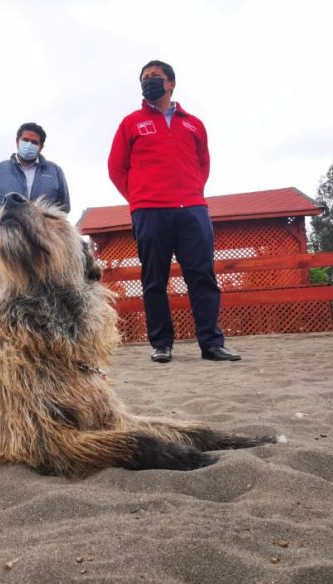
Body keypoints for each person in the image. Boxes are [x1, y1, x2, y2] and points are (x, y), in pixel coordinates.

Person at [107, 60, 239, 363]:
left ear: (171, 84)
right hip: (150, 212)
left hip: (192, 210)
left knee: (202, 277)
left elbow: (202, 165)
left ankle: (211, 343)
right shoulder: (130, 123)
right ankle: (162, 343)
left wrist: (190, 193)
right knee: (154, 278)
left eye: (156, 77)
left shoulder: (193, 124)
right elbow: (116, 168)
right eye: (144, 78)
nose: (149, 82)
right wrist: (141, 198)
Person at [0, 122, 70, 217]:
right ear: (17, 141)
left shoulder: (55, 171)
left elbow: (64, 207)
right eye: (25, 140)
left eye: (34, 142)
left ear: (41, 147)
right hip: (11, 230)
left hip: (43, 230)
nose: (29, 144)